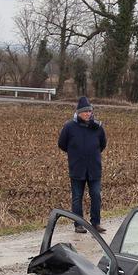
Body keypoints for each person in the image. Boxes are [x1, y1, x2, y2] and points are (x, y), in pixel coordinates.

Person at [58, 96, 107, 234]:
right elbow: (62, 144)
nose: (88, 114)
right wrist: (75, 154)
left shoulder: (97, 127)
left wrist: (92, 155)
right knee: (77, 197)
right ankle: (78, 224)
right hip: (77, 168)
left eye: (90, 111)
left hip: (94, 168)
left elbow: (102, 144)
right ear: (78, 112)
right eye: (85, 111)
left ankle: (96, 223)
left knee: (96, 195)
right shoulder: (69, 127)